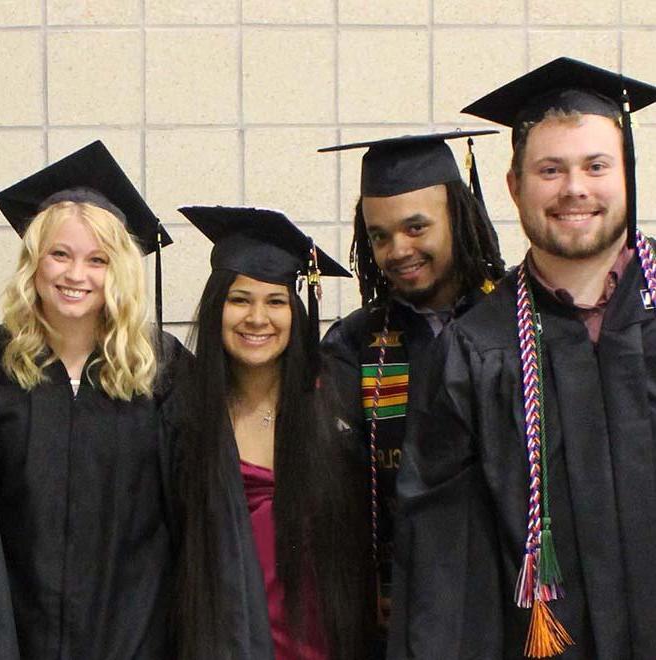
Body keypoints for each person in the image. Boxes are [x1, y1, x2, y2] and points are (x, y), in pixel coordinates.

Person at [389, 57, 656, 660]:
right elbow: (446, 572)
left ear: (628, 174)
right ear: (515, 186)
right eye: (550, 170)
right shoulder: (473, 351)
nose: (575, 189)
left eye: (596, 166)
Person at [0, 141, 187, 659]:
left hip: (136, 637)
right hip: (19, 632)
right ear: (34, 263)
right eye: (59, 254)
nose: (75, 276)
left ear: (118, 270)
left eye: (97, 260)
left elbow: (189, 519)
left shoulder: (160, 369)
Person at [318, 131, 505, 651]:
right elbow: (337, 487)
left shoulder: (516, 323)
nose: (398, 250)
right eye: (379, 236)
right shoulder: (353, 343)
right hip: (399, 607)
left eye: (416, 226)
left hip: (511, 596)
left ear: (459, 218)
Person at [175, 206, 374, 660]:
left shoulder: (332, 408)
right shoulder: (186, 418)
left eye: (276, 301)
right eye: (240, 299)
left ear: (296, 313)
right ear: (215, 308)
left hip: (321, 641)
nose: (257, 318)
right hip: (222, 641)